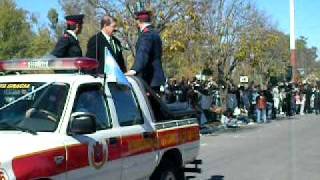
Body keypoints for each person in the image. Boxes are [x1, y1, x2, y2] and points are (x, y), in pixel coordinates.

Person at [125, 10, 166, 93]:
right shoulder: (154, 33)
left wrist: (134, 70)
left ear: (139, 22)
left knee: (149, 105)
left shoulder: (146, 35)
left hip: (149, 79)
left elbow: (143, 53)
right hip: (155, 79)